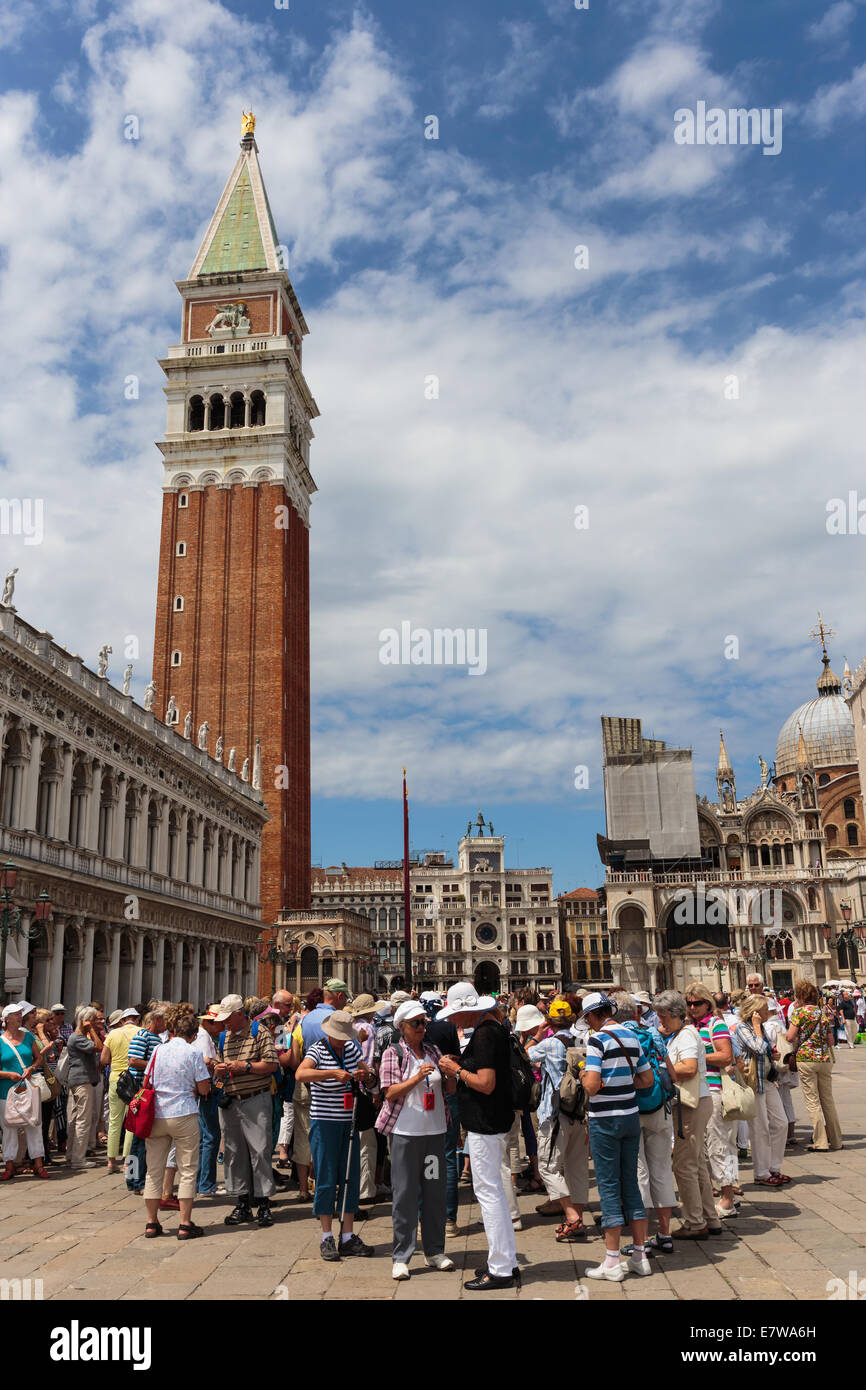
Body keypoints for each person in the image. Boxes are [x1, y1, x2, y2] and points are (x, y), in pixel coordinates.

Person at [437, 983, 518, 1291]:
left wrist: (455, 1069)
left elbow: (485, 1083)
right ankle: (507, 1261)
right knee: (493, 1190)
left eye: (457, 1014)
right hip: (493, 1121)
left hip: (486, 1122)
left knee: (488, 1193)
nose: (454, 1021)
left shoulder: (484, 1034)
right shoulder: (493, 1028)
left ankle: (499, 1268)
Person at [376, 1000, 455, 1279]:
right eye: (416, 1023)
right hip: (405, 1135)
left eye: (424, 1023)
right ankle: (402, 1255)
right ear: (402, 1027)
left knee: (434, 1193)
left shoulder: (434, 1050)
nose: (422, 1028)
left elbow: (449, 1090)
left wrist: (450, 1075)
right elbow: (389, 1092)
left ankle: (435, 1251)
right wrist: (416, 1077)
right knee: (405, 1195)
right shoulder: (392, 1053)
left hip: (434, 1133)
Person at [577, 991, 653, 1280]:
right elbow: (646, 1080)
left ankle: (611, 1261)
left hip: (605, 1119)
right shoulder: (633, 1036)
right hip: (630, 1116)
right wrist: (622, 1083)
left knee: (608, 1185)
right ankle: (639, 1254)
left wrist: (586, 1078)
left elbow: (593, 1085)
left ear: (593, 1016)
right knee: (630, 1183)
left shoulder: (596, 1040)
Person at [295, 1009, 376, 1262]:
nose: (343, 1041)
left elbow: (369, 1077)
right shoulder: (318, 1050)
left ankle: (348, 1236)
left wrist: (366, 1076)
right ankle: (326, 1235)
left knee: (350, 1177)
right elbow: (301, 1073)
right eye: (340, 1037)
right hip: (324, 1121)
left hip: (348, 1121)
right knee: (327, 1177)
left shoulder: (352, 1049)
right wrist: (331, 1073)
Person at [654, 989, 721, 1240]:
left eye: (663, 1017)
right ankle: (710, 1218)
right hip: (695, 1103)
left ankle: (695, 1222)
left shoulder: (686, 1036)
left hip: (690, 1106)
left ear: (675, 1015)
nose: (660, 1022)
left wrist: (661, 1067)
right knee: (698, 1163)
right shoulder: (680, 1034)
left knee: (683, 1166)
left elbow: (690, 1068)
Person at [143, 1003, 211, 1240]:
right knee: (188, 1169)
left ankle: (151, 1222)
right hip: (183, 1112)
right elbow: (203, 1088)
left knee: (154, 1170)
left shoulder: (158, 1050)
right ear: (193, 1035)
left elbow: (147, 1081)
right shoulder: (193, 1052)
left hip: (158, 1113)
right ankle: (184, 1223)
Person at [616, 994, 676, 1254]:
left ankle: (642, 1240)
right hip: (658, 1107)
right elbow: (671, 1074)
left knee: (638, 1172)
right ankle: (664, 1234)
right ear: (636, 1014)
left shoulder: (616, 1037)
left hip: (631, 1108)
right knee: (662, 1170)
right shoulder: (652, 1032)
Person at [524, 1000, 588, 1243]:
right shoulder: (582, 1041)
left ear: (548, 1021)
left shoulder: (549, 1043)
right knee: (577, 1169)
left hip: (554, 1114)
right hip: (579, 1114)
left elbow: (524, 1054)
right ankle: (577, 1217)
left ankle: (572, 1218)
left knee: (548, 1167)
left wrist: (535, 1036)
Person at [213, 993, 280, 1228]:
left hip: (255, 1100)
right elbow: (219, 1074)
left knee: (260, 1151)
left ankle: (262, 1203)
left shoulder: (259, 1033)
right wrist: (219, 1073)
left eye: (228, 1018)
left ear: (239, 1014)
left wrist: (246, 1066)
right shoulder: (223, 1037)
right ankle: (241, 1202)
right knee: (233, 1152)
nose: (224, 1023)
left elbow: (272, 1065)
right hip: (231, 1101)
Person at [683, 982, 738, 1221]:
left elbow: (726, 1056)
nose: (692, 1007)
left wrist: (695, 1058)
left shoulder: (716, 1024)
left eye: (697, 1003)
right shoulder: (690, 1026)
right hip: (696, 1092)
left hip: (714, 1091)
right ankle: (710, 1199)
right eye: (689, 1003)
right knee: (702, 1150)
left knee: (718, 1146)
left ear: (708, 1004)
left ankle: (728, 1200)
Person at [735, 993, 789, 1187]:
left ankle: (774, 1167)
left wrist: (772, 1055)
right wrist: (758, 1027)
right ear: (755, 1012)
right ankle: (761, 1172)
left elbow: (764, 1049)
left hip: (767, 1080)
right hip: (753, 1083)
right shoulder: (743, 1028)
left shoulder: (762, 1028)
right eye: (765, 1010)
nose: (769, 1012)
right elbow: (757, 1047)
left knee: (780, 1123)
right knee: (760, 1129)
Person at [787, 977, 842, 1152]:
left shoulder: (799, 1013)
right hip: (824, 1059)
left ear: (800, 996)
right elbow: (831, 1040)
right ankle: (836, 1140)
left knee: (812, 1101)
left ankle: (821, 1141)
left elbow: (790, 1036)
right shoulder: (821, 1012)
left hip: (806, 1059)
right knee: (828, 1100)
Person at [424, 995, 463, 1235]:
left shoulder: (413, 1030)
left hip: (422, 1094)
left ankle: (426, 1217)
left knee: (424, 1156)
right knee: (448, 1155)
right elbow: (457, 1057)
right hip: (448, 1091)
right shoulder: (447, 1027)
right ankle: (449, 1220)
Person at [0, 1002, 50, 1180]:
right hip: (6, 1090)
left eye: (20, 1013)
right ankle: (9, 1166)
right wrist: (8, 1074)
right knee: (9, 1128)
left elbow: (39, 1058)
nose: (20, 1015)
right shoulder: (0, 1041)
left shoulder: (28, 1037)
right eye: (15, 1014)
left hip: (28, 1087)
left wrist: (32, 1068)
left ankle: (39, 1164)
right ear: (7, 1019)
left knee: (34, 1124)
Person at [126, 1003, 170, 1197]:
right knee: (140, 1138)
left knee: (139, 1137)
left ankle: (134, 1179)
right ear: (157, 1020)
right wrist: (158, 1063)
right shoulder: (143, 1036)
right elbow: (133, 1060)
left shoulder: (156, 1038)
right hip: (140, 1090)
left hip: (147, 1090)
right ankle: (136, 1179)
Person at [289, 986, 323, 1202]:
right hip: (324, 1085)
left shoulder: (301, 1027)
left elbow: (293, 1060)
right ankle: (318, 1183)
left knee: (302, 1136)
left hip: (302, 1085)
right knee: (320, 1135)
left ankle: (302, 1187)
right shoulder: (328, 1023)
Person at [347, 994, 381, 1205]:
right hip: (364, 1089)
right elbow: (369, 1062)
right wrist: (375, 1089)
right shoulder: (368, 1030)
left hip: (349, 1091)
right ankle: (365, 1191)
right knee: (366, 1143)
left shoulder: (349, 1030)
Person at [100, 1007, 140, 1173]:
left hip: (116, 1079)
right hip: (134, 1080)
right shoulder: (141, 1032)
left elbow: (103, 1059)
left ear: (123, 1020)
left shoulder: (113, 1034)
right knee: (132, 1121)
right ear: (137, 1019)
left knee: (114, 1121)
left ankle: (110, 1161)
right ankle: (126, 1160)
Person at [65, 1006, 102, 1171]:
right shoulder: (78, 1037)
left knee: (76, 1119)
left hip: (78, 1080)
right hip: (82, 1081)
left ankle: (72, 1155)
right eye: (93, 1019)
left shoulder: (77, 1037)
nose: (95, 1022)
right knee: (83, 1120)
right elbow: (99, 1046)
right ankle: (78, 1158)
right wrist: (91, 1030)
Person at [192, 1005, 222, 1196]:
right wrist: (216, 1064)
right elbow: (203, 1060)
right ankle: (206, 1183)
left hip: (204, 1090)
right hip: (206, 1090)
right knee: (211, 1137)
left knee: (206, 1137)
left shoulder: (203, 1035)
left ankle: (203, 1181)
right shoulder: (203, 1036)